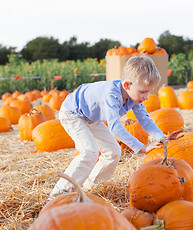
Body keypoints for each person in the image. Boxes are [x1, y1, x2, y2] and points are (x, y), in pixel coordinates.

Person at [50, 55, 180, 197]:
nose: (147, 96)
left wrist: (161, 137)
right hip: (73, 113)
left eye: (149, 91)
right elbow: (115, 127)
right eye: (143, 91)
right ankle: (60, 192)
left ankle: (91, 187)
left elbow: (146, 120)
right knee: (89, 151)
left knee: (114, 151)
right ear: (127, 85)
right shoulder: (111, 95)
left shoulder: (132, 97)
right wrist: (141, 147)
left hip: (91, 118)